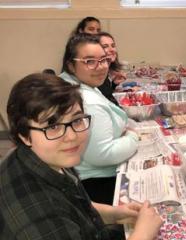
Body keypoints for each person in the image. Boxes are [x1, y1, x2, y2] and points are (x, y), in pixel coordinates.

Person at [0, 73, 163, 239]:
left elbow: (74, 206)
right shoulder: (38, 214)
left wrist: (115, 213)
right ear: (24, 135)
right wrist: (143, 234)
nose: (72, 137)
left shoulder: (46, 157)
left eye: (77, 120)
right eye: (53, 126)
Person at [60, 33, 138, 204]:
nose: (101, 67)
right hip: (98, 184)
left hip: (82, 176)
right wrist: (133, 137)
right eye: (90, 61)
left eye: (103, 60)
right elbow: (103, 154)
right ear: (71, 66)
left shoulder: (80, 84)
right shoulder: (88, 102)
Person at [97, 32, 126, 105]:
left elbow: (105, 93)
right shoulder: (96, 74)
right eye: (105, 46)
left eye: (113, 46)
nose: (111, 49)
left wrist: (113, 84)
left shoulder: (105, 72)